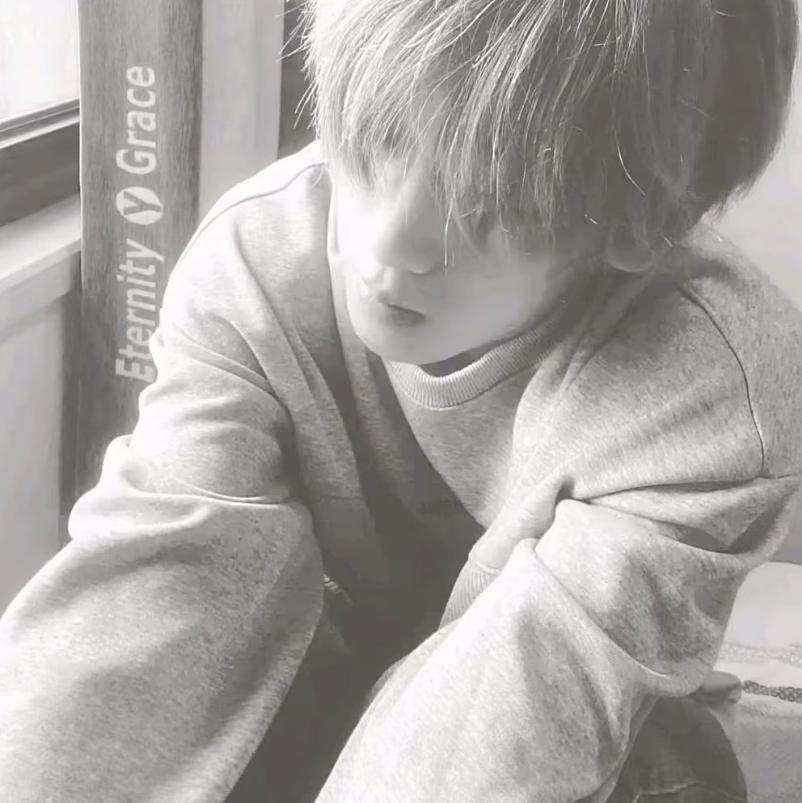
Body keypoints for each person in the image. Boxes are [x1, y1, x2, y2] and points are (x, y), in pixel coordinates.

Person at [2, 1, 802, 801]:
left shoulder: (714, 389)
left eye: (489, 202)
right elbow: (150, 592)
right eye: (377, 138)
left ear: (638, 231)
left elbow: (521, 708)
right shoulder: (255, 261)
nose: (388, 243)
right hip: (323, 654)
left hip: (579, 730)